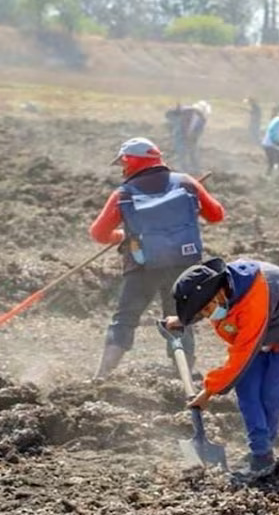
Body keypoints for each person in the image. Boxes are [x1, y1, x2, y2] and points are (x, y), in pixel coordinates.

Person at [165, 257, 279, 476]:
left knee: (270, 396)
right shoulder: (222, 292)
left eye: (207, 309)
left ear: (220, 291)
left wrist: (208, 391)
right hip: (263, 324)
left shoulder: (252, 301)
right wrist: (185, 319)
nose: (208, 315)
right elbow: (210, 307)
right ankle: (261, 452)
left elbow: (241, 355)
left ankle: (263, 452)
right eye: (203, 312)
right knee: (247, 390)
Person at [89, 137, 225, 378]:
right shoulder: (186, 183)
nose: (122, 168)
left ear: (130, 161)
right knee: (180, 317)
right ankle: (182, 376)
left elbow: (98, 233)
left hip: (143, 266)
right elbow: (216, 215)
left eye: (123, 162)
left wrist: (120, 235)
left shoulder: (124, 193)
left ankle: (101, 376)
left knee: (125, 318)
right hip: (185, 265)